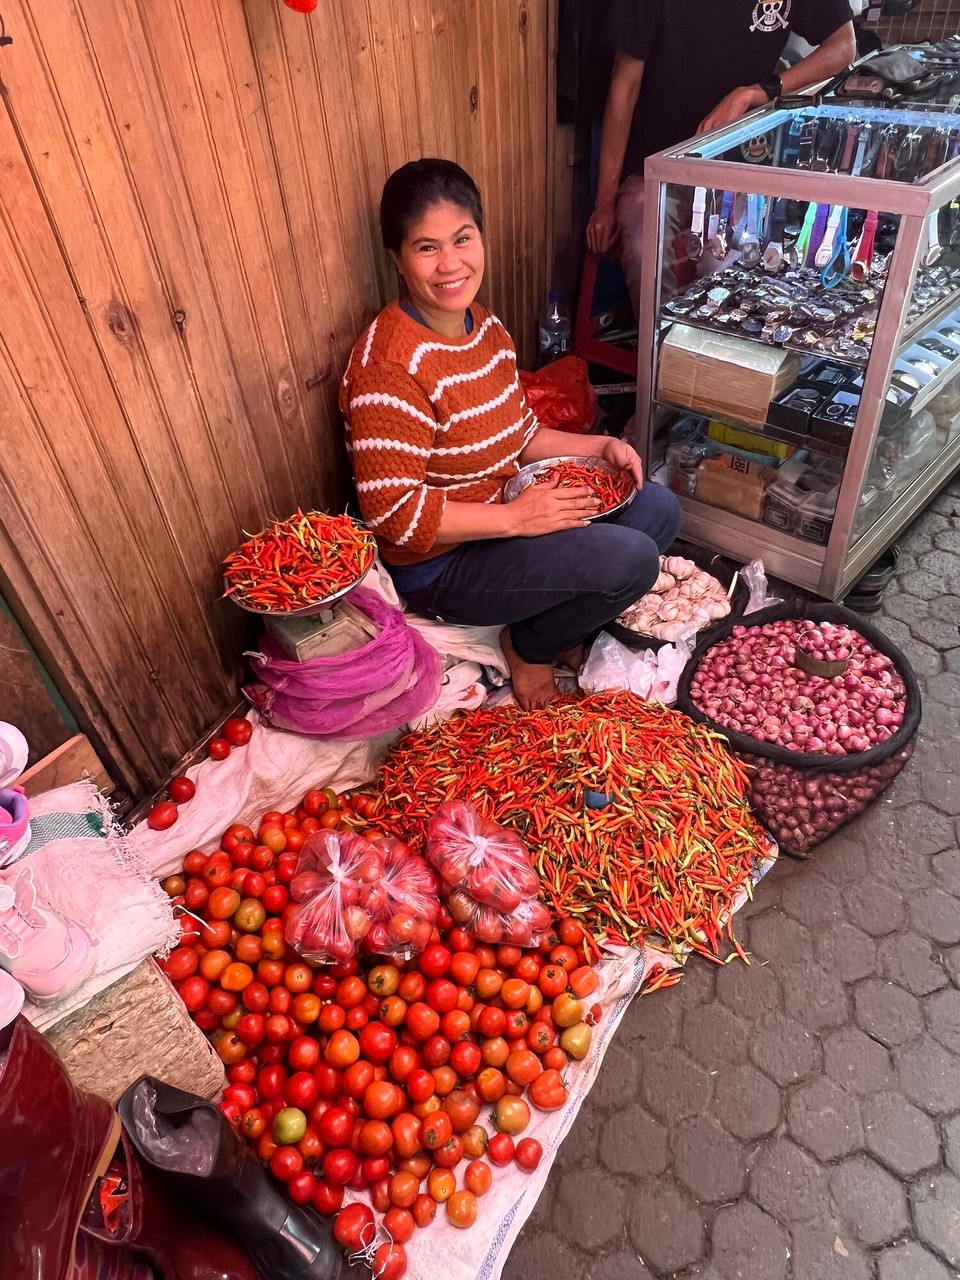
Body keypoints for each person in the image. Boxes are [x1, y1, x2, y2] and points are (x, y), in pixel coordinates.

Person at [340, 158, 681, 710]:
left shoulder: (487, 328)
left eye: (462, 239)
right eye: (427, 248)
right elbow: (393, 516)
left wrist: (599, 446)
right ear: (397, 260)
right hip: (442, 566)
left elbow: (519, 436)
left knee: (658, 509)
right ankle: (529, 646)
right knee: (633, 561)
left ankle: (553, 624)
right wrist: (514, 520)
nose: (450, 263)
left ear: (481, 237)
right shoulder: (390, 367)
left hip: (506, 518)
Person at [586, 1, 857, 313]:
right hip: (657, 164)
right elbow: (624, 86)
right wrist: (604, 203)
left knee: (730, 268)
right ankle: (664, 355)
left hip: (735, 168)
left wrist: (758, 91)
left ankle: (707, 354)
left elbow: (844, 46)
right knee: (645, 251)